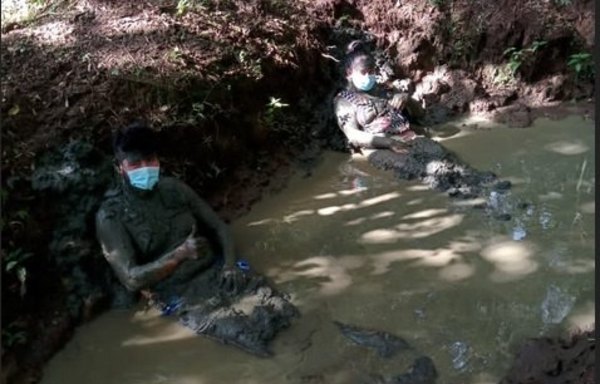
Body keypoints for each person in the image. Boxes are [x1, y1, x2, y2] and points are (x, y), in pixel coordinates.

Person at [96, 123, 298, 356]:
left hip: (218, 271)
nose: (145, 168)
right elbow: (131, 279)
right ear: (120, 168)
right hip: (180, 294)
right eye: (135, 164)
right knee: (247, 338)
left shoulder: (174, 189)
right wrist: (179, 255)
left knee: (284, 310)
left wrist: (230, 265)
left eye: (150, 160)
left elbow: (219, 228)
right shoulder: (111, 217)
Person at [333, 41, 505, 200]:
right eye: (364, 72)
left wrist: (407, 99)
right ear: (349, 73)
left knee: (440, 154)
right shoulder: (344, 101)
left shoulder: (383, 89)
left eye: (372, 71)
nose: (369, 76)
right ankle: (463, 198)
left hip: (408, 135)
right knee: (419, 168)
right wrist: (388, 143)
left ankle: (477, 180)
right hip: (378, 146)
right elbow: (353, 135)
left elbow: (421, 114)